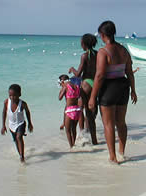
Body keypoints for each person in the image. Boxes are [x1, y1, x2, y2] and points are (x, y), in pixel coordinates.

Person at [89, 21, 137, 164]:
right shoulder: (124, 50)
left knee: (108, 124)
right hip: (123, 86)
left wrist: (92, 97)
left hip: (109, 88)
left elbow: (99, 75)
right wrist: (133, 90)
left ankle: (113, 157)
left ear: (103, 35)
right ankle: (121, 152)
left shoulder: (103, 52)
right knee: (121, 123)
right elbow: (129, 72)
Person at [68, 33, 98, 144]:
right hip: (96, 84)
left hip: (86, 84)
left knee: (79, 109)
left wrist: (72, 69)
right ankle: (94, 141)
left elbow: (78, 73)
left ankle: (79, 136)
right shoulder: (98, 54)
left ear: (84, 44)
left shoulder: (84, 56)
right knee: (91, 114)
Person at [1, 84, 33, 163]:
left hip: (20, 123)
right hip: (11, 124)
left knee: (19, 137)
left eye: (14, 95)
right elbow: (4, 112)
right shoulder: (6, 102)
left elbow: (27, 112)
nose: (12, 97)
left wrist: (30, 123)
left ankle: (22, 156)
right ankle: (20, 154)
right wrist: (3, 125)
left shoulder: (22, 104)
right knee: (15, 140)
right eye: (10, 95)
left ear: (19, 94)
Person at [58, 75, 82, 148]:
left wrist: (62, 89)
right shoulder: (76, 86)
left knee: (67, 129)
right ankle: (74, 143)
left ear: (62, 81)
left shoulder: (66, 86)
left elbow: (60, 98)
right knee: (74, 128)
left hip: (70, 110)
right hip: (77, 109)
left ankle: (71, 146)